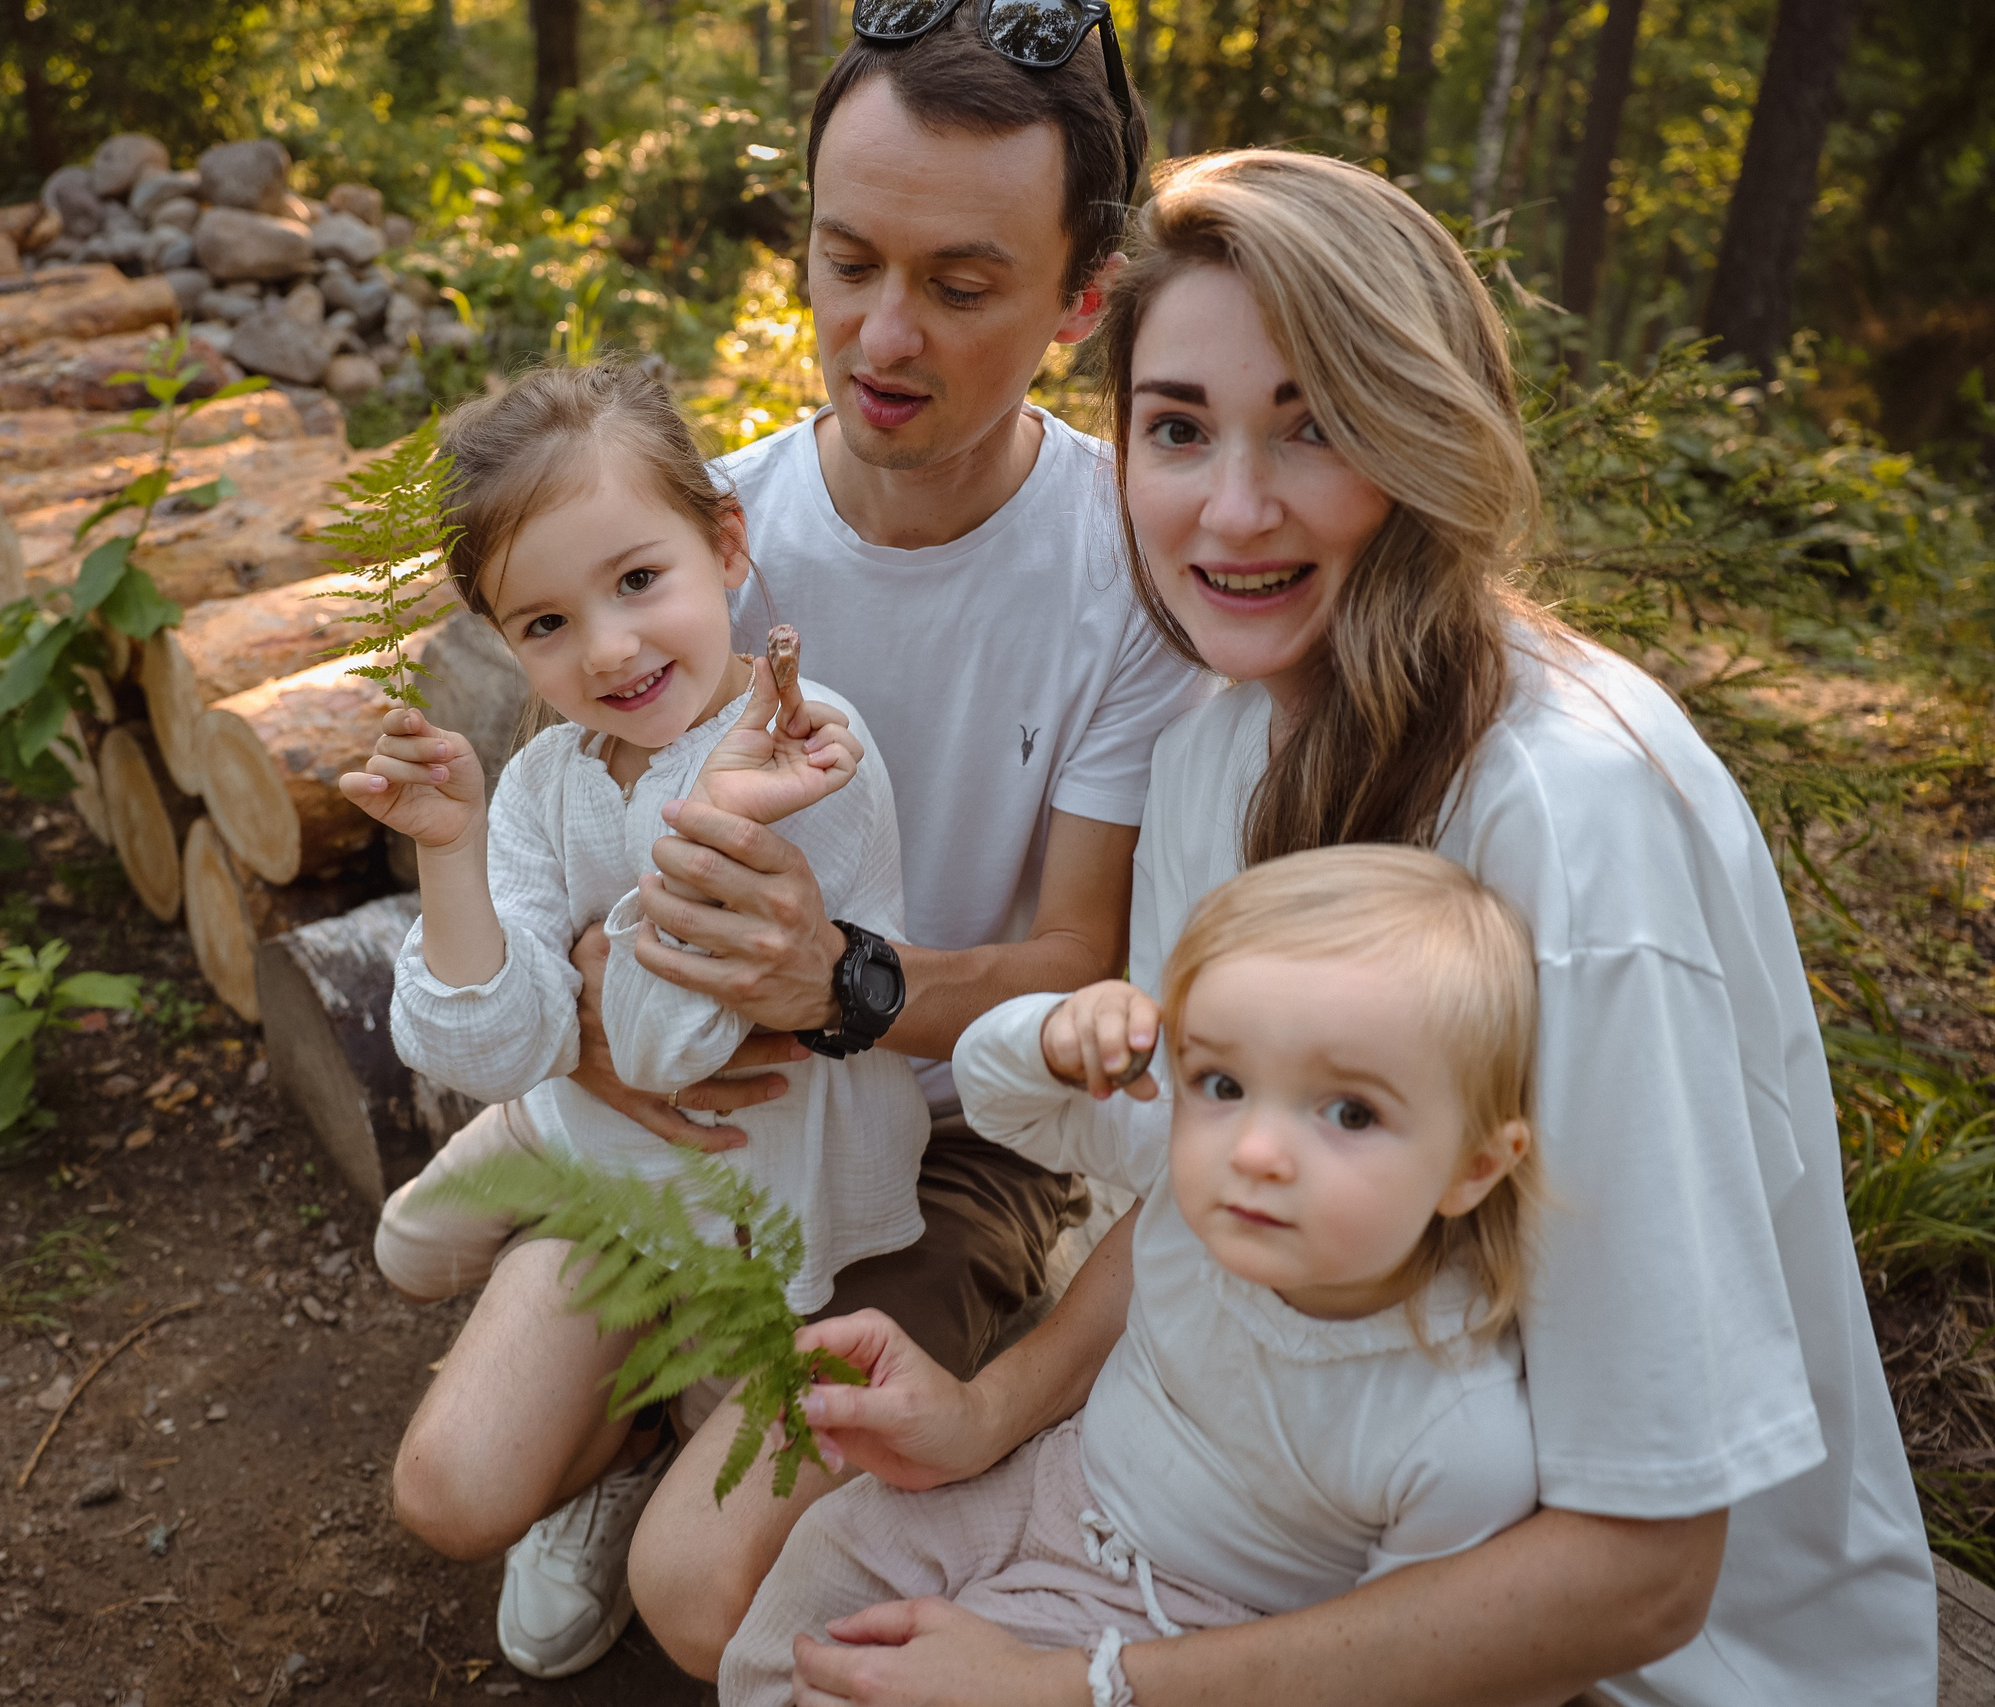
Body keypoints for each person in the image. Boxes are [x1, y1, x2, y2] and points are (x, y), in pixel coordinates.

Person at [775, 147, 1937, 1707]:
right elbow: (1201, 1189)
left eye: (1314, 424)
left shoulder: (1572, 819)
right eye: (1178, 427)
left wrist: (1083, 1682)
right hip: (1273, 1526)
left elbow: (1649, 1568)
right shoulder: (1216, 741)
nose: (1232, 506)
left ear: (1423, 434)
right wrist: (989, 1412)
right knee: (773, 1623)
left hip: (1621, 1655)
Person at [594, 9, 1213, 1675]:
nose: (880, 334)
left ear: (1082, 300)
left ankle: (754, 1439)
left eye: (959, 284)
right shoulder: (696, 539)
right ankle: (637, 1434)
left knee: (704, 1593)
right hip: (718, 1101)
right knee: (456, 1476)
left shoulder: (1124, 572)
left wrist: (838, 983)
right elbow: (573, 867)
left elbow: (1076, 959)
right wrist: (597, 1011)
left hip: (967, 1136)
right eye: (848, 259)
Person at [343, 359, 932, 1679]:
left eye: (638, 581)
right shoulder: (546, 778)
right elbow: (493, 1044)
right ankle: (611, 1428)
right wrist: (451, 849)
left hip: (773, 1212)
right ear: (502, 638)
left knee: (715, 1540)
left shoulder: (803, 750)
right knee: (438, 1451)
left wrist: (709, 815)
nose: (607, 648)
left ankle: (662, 1428)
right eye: (546, 622)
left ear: (724, 545)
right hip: (619, 1176)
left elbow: (671, 1049)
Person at [723, 844, 1548, 1705]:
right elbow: (997, 1095)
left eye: (1350, 1111)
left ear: (1476, 1166)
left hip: (1190, 1630)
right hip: (1052, 1479)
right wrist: (1053, 1037)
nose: (1256, 1149)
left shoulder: (1458, 1433)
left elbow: (1392, 1664)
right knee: (814, 1580)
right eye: (1224, 1082)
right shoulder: (1200, 1197)